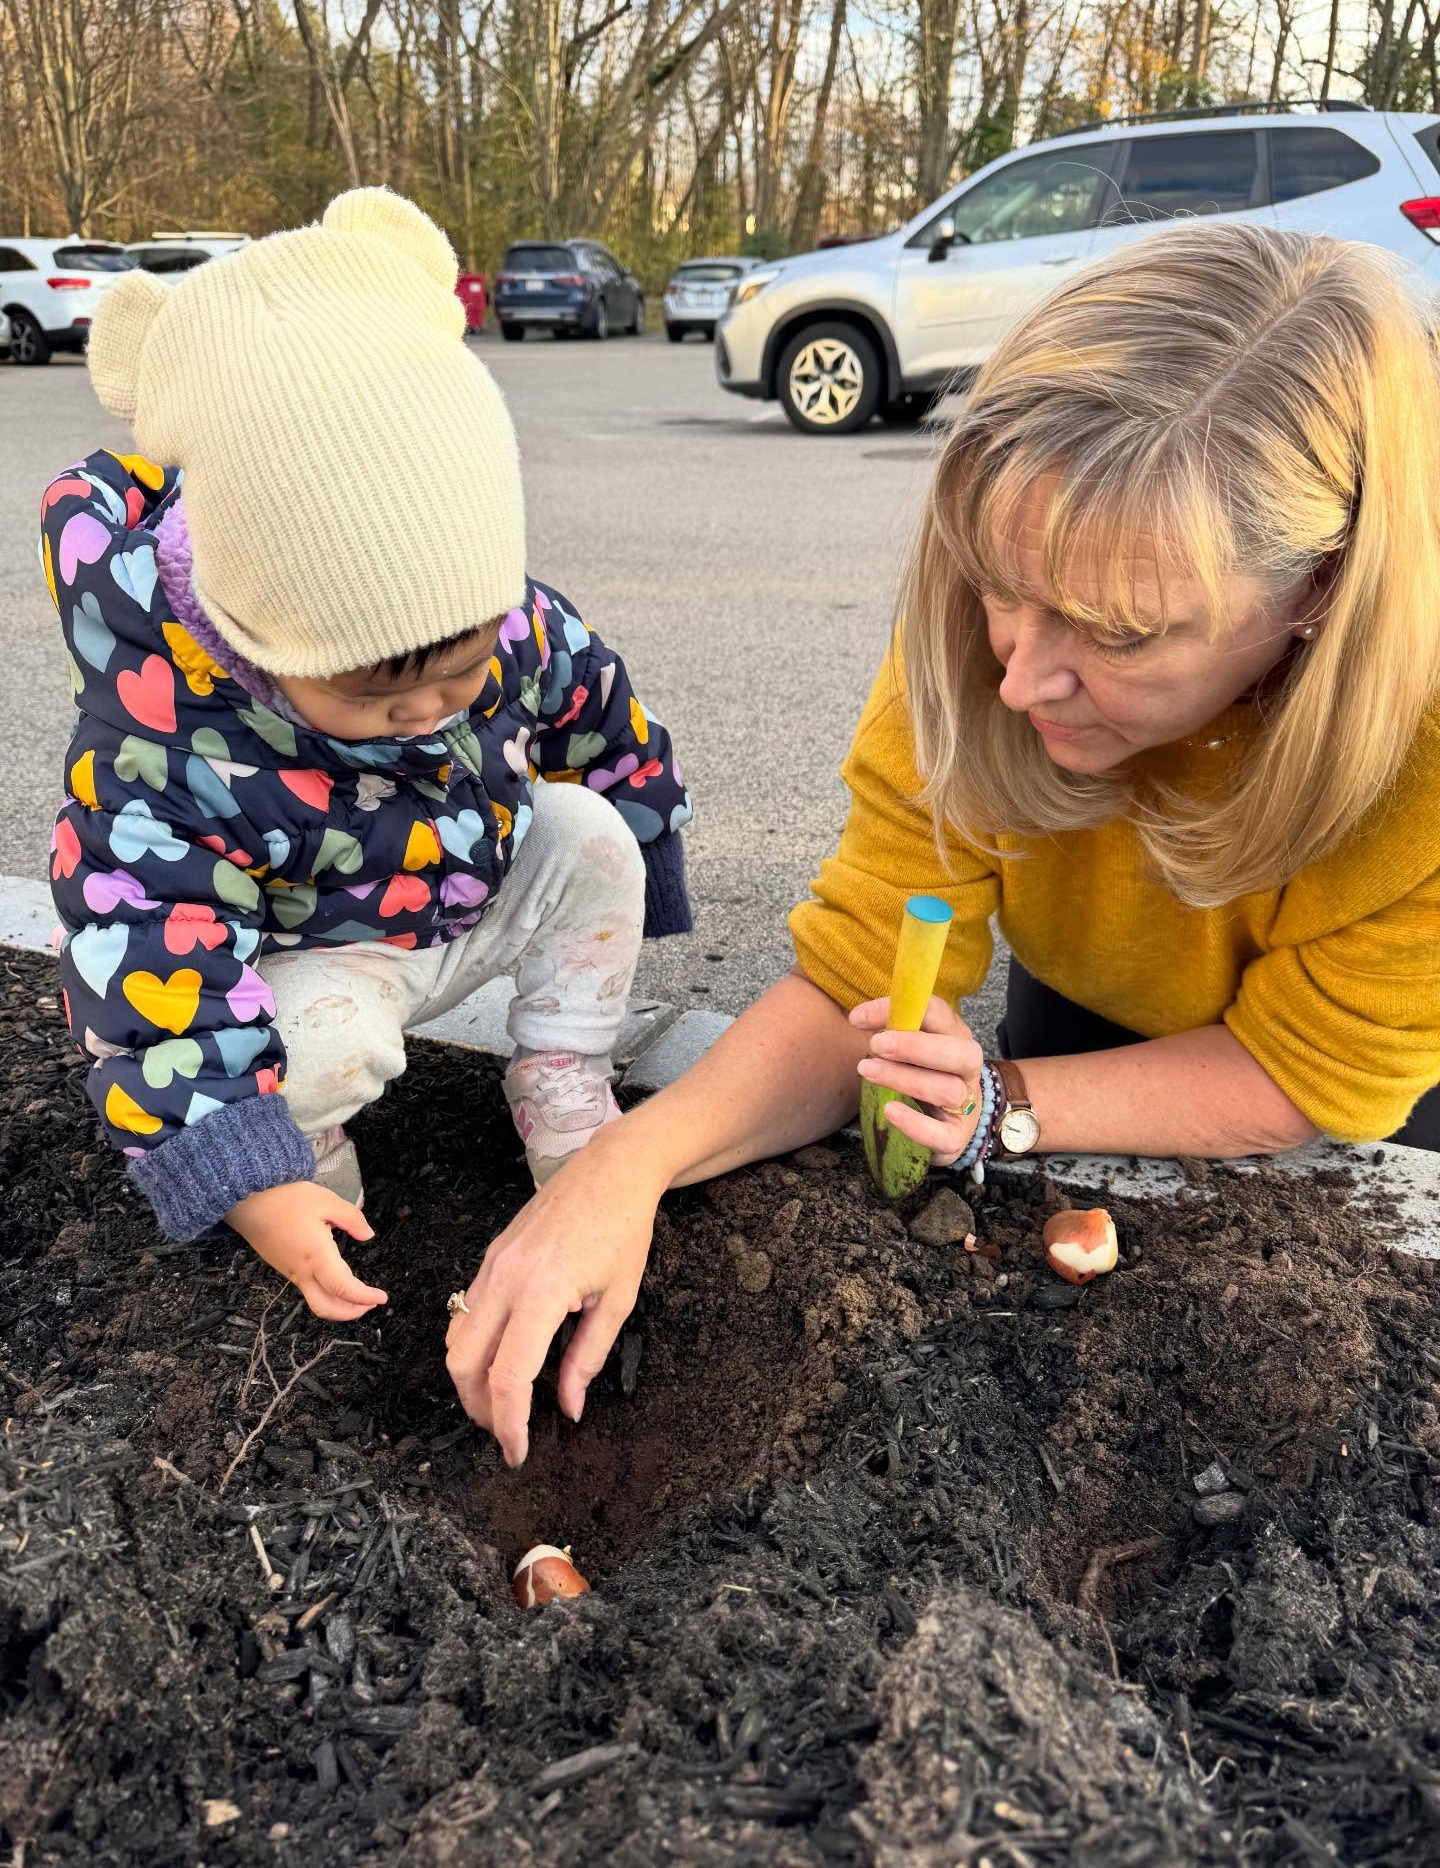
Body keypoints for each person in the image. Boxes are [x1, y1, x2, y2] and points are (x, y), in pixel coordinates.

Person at [446, 219, 1440, 1466]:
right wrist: (624, 1169)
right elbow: (867, 975)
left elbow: (1307, 1079)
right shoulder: (987, 648)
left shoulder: (1423, 752)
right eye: (1001, 585)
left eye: (1119, 635)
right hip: (1085, 992)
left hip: (1374, 1065)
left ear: (1319, 594)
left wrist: (1003, 1109)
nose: (1019, 680)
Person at [45, 186, 691, 1322]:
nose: (432, 712)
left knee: (586, 834)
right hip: (324, 960)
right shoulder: (166, 740)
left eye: (464, 668)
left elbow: (599, 712)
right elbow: (150, 963)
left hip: (474, 893)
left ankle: (560, 1071)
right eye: (376, 690)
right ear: (255, 633)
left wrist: (644, 843)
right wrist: (248, 1183)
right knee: (318, 1048)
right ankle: (317, 1182)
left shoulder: (500, 620)